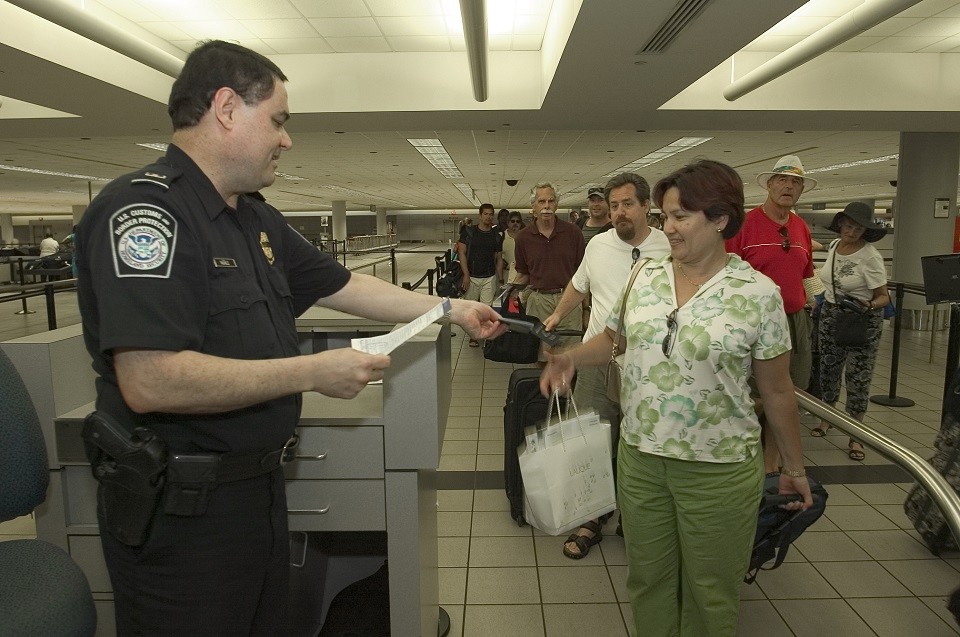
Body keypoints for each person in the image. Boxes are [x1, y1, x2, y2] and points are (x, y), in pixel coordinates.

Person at [74, 40, 504, 637]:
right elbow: (150, 378)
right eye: (277, 120)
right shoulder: (148, 215)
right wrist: (311, 373)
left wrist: (450, 307)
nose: (286, 139)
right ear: (226, 108)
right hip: (181, 515)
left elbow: (344, 285)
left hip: (259, 495)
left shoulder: (253, 217)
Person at [540, 159, 812, 637]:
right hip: (642, 460)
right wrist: (571, 357)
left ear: (721, 219)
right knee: (649, 580)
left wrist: (792, 467)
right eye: (665, 216)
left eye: (680, 217)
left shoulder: (757, 294)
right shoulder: (645, 276)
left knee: (710, 589)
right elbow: (614, 340)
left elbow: (776, 389)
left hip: (718, 468)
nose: (667, 228)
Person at [542, 172, 670, 559]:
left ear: (647, 206)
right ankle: (594, 516)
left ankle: (634, 516)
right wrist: (557, 315)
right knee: (592, 440)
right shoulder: (597, 246)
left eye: (627, 204)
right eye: (614, 206)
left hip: (650, 365)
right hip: (600, 359)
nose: (619, 213)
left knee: (641, 446)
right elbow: (580, 285)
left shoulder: (669, 247)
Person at [725, 154, 817, 473]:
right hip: (753, 321)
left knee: (792, 393)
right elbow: (726, 273)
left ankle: (771, 465)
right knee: (755, 395)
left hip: (795, 320)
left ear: (802, 190)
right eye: (782, 180)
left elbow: (807, 272)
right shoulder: (745, 226)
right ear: (769, 185)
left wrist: (818, 299)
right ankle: (738, 453)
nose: (789, 187)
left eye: (796, 182)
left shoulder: (801, 227)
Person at [811, 201, 889, 462]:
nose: (851, 231)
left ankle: (857, 436)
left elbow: (883, 297)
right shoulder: (834, 247)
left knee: (857, 378)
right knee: (828, 373)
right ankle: (827, 419)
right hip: (831, 315)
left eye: (857, 227)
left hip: (861, 319)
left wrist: (867, 305)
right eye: (848, 225)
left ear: (865, 231)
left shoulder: (870, 257)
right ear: (841, 224)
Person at [513, 182, 585, 355]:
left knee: (570, 355)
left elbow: (583, 274)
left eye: (551, 201)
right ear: (533, 206)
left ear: (556, 204)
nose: (546, 206)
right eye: (541, 201)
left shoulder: (573, 233)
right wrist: (510, 292)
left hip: (569, 299)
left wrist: (587, 309)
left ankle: (565, 384)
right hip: (538, 302)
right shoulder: (523, 238)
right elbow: (524, 273)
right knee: (539, 355)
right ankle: (541, 383)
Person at [457, 203, 503, 346]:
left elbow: (499, 258)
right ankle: (473, 334)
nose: (489, 217)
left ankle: (481, 335)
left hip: (489, 277)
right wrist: (466, 274)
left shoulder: (496, 235)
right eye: (486, 214)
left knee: (485, 309)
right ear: (480, 215)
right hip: (472, 277)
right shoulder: (469, 232)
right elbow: (462, 253)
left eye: (491, 214)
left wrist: (500, 279)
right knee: (472, 309)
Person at [501, 210, 524, 286]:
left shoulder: (525, 237)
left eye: (518, 221)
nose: (515, 223)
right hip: (505, 274)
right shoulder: (501, 236)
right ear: (508, 223)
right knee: (505, 297)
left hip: (522, 275)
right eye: (513, 221)